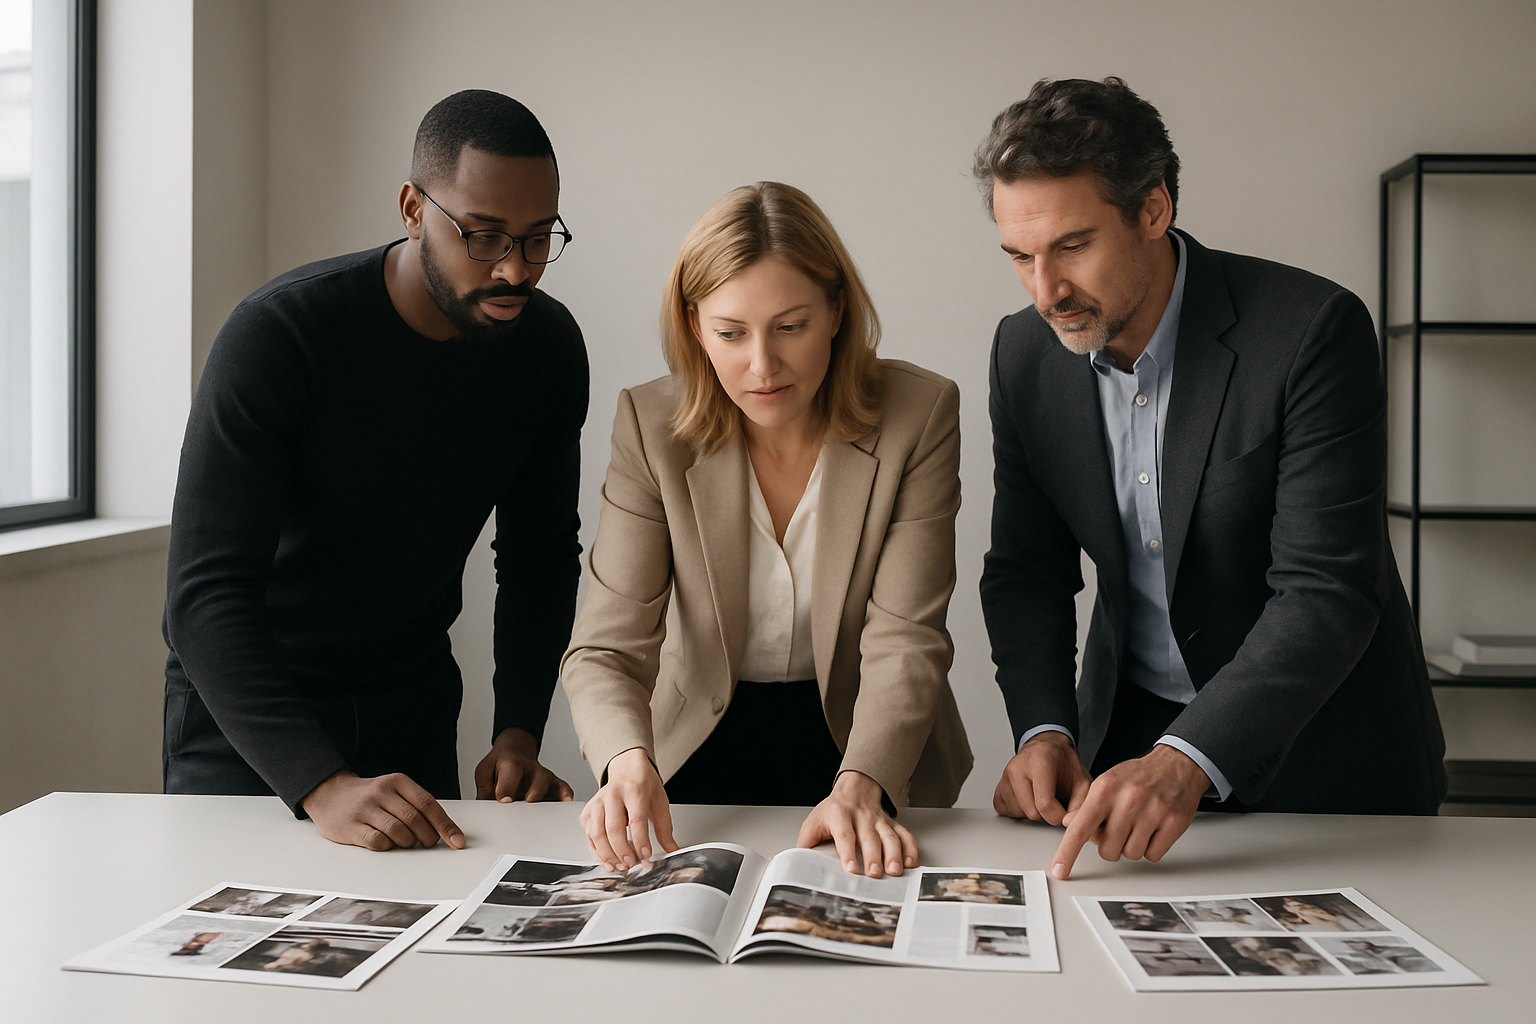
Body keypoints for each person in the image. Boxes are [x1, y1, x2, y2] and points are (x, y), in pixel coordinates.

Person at [974, 77, 1447, 880]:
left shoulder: (1311, 332)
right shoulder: (1023, 356)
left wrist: (1189, 756)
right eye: (1020, 256)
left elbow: (1326, 587)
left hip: (1326, 763)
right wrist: (1044, 731)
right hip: (1123, 760)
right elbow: (1026, 572)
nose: (1045, 291)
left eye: (1073, 246)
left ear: (1153, 210)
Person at [162, 90, 588, 851]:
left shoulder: (548, 350)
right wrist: (321, 786)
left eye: (535, 239)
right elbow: (203, 595)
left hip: (411, 711)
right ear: (411, 207)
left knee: (424, 952)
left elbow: (539, 558)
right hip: (252, 723)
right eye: (484, 236)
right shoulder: (280, 335)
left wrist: (518, 732)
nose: (515, 271)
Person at [561, 182, 972, 879]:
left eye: (791, 326)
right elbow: (604, 649)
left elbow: (906, 637)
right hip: (692, 752)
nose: (762, 365)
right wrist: (626, 759)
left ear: (838, 310)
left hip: (865, 747)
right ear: (694, 326)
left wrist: (861, 783)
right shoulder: (649, 427)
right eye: (731, 333)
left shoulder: (919, 413)